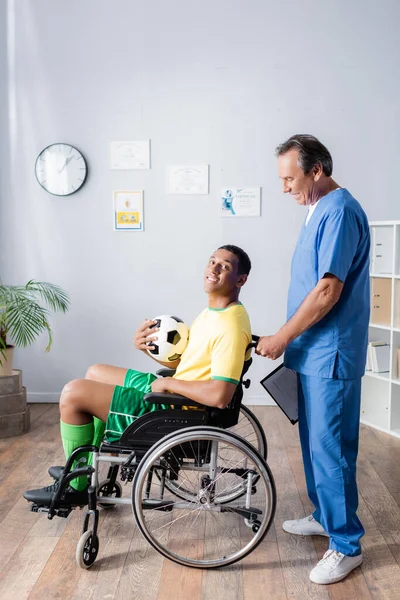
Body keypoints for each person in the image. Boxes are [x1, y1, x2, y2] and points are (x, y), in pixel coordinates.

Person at [24, 244, 252, 508]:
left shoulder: (230, 326)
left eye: (224, 266)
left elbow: (220, 395)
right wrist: (146, 349)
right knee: (95, 372)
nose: (213, 269)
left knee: (73, 393)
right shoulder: (215, 312)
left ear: (240, 279)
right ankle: (83, 467)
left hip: (178, 409)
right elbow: (190, 363)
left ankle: (74, 487)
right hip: (177, 390)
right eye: (212, 261)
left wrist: (167, 382)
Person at [256, 135, 370, 585]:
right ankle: (325, 516)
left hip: (331, 353)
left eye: (289, 178)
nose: (284, 187)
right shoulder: (315, 211)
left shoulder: (339, 211)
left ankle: (346, 546)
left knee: (331, 450)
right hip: (310, 352)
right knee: (313, 444)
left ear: (316, 170)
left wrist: (283, 337)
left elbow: (327, 290)